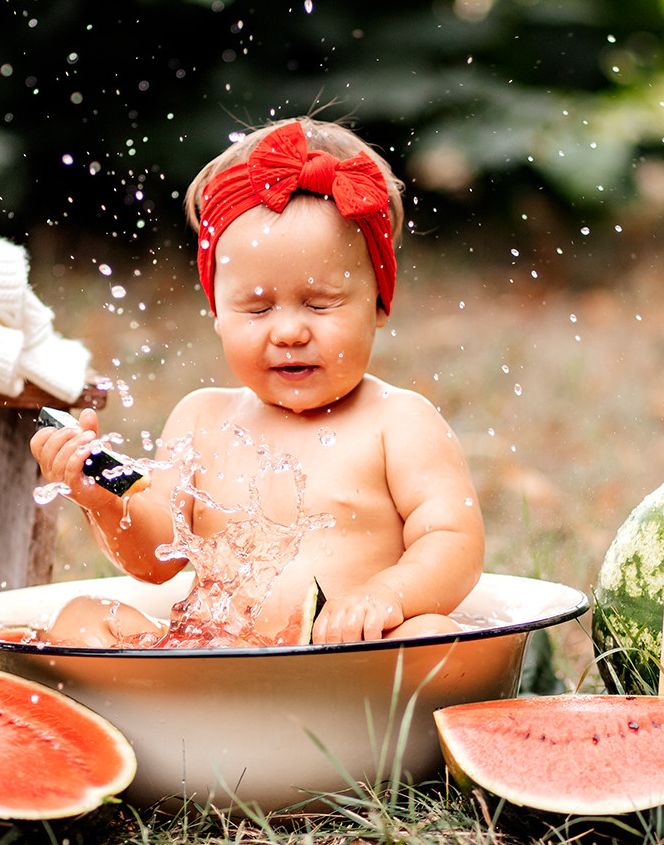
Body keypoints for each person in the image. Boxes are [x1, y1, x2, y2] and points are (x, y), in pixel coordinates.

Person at [30, 117, 485, 647]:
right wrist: (106, 501)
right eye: (257, 307)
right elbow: (157, 560)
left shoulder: (399, 421)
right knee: (84, 616)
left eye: (320, 304)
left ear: (379, 304)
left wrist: (387, 594)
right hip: (213, 659)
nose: (289, 331)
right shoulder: (202, 419)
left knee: (434, 635)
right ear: (218, 313)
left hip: (348, 658)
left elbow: (453, 541)